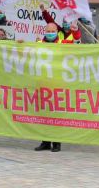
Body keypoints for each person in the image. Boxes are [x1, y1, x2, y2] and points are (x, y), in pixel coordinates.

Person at [34, 22, 81, 153]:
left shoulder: (63, 43)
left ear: (57, 31)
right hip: (42, 83)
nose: (50, 33)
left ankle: (56, 142)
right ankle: (45, 141)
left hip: (58, 84)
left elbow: (77, 41)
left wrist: (76, 31)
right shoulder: (38, 44)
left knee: (56, 115)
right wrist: (20, 43)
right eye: (48, 30)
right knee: (43, 115)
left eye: (52, 30)